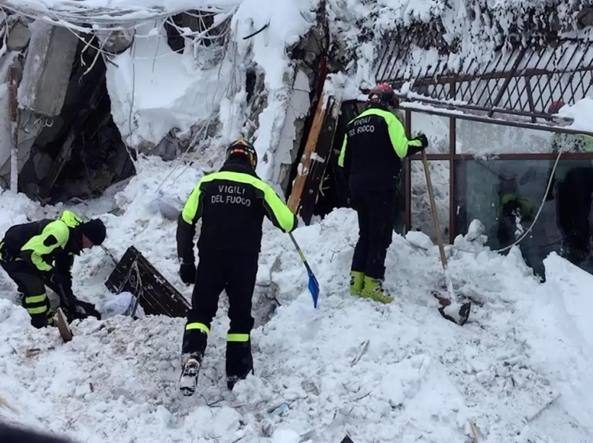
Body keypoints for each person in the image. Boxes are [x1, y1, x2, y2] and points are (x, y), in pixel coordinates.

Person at [176, 138, 297, 395]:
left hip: (211, 258)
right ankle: (238, 376)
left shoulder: (207, 184)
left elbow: (186, 220)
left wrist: (186, 260)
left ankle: (193, 355)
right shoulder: (258, 186)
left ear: (228, 157)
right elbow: (286, 222)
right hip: (243, 263)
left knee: (201, 312)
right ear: (251, 160)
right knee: (240, 319)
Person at [338, 83, 428, 303]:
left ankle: (356, 281)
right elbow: (402, 149)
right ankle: (372, 283)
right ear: (389, 102)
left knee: (365, 233)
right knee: (380, 235)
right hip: (380, 187)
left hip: (357, 187)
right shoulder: (389, 119)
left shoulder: (352, 125)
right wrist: (420, 142)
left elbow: (342, 162)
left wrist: (350, 189)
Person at [0, 210, 104, 328]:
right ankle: (40, 325)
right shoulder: (60, 232)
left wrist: (71, 301)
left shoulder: (72, 241)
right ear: (86, 235)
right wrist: (50, 272)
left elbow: (63, 274)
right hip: (13, 254)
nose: (90, 247)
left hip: (34, 256)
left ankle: (48, 316)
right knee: (36, 288)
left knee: (56, 285)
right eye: (92, 243)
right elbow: (29, 254)